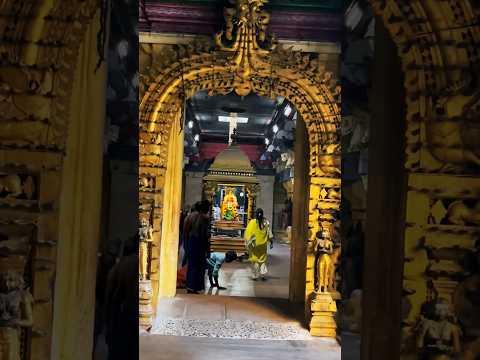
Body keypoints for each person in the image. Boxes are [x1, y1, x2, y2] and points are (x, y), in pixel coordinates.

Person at [104, 234, 138, 360]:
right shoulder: (135, 265)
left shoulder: (118, 267)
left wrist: (108, 327)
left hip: (120, 321)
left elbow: (110, 301)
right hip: (131, 322)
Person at [184, 200, 211, 294]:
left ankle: (189, 286)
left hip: (190, 242)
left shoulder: (189, 216)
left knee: (191, 265)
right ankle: (196, 287)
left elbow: (185, 232)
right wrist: (208, 250)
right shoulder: (205, 218)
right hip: (200, 244)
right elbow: (206, 235)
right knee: (199, 267)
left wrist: (186, 245)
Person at [244, 208, 273, 280]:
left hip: (254, 245)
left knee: (255, 260)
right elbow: (269, 233)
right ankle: (263, 274)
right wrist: (271, 241)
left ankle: (255, 275)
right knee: (262, 260)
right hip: (263, 245)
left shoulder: (252, 222)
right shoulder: (266, 222)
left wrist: (247, 243)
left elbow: (248, 233)